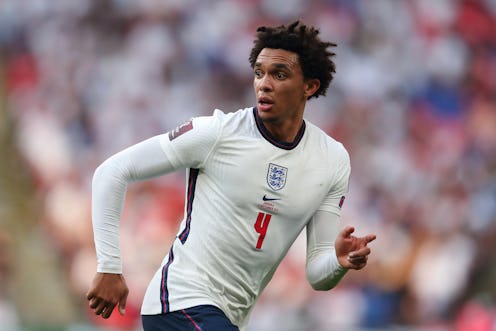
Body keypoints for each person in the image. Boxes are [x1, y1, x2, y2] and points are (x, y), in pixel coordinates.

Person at [87, 20, 376, 331]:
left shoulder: (332, 160)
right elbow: (112, 171)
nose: (264, 83)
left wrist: (339, 263)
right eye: (259, 73)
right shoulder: (216, 133)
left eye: (279, 75)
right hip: (180, 303)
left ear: (310, 86)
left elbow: (318, 274)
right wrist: (109, 266)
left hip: (226, 319)